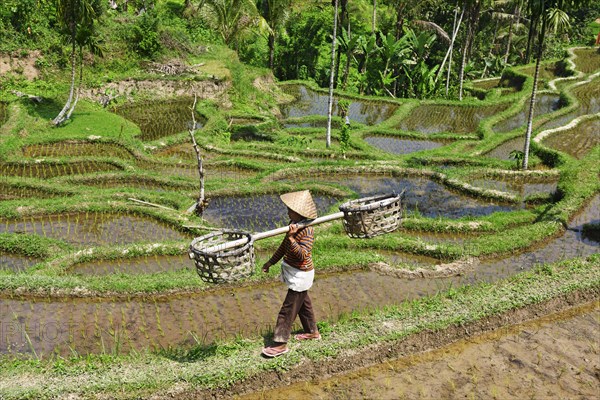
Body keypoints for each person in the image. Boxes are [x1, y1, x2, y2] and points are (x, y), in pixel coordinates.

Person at [261, 190, 321, 357]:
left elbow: (302, 254)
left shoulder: (307, 230)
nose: (287, 212)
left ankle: (280, 344)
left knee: (287, 310)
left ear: (299, 213)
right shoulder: (293, 225)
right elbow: (284, 246)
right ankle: (312, 332)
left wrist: (293, 238)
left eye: (290, 210)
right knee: (303, 305)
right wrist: (270, 262)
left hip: (301, 274)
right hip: (294, 271)